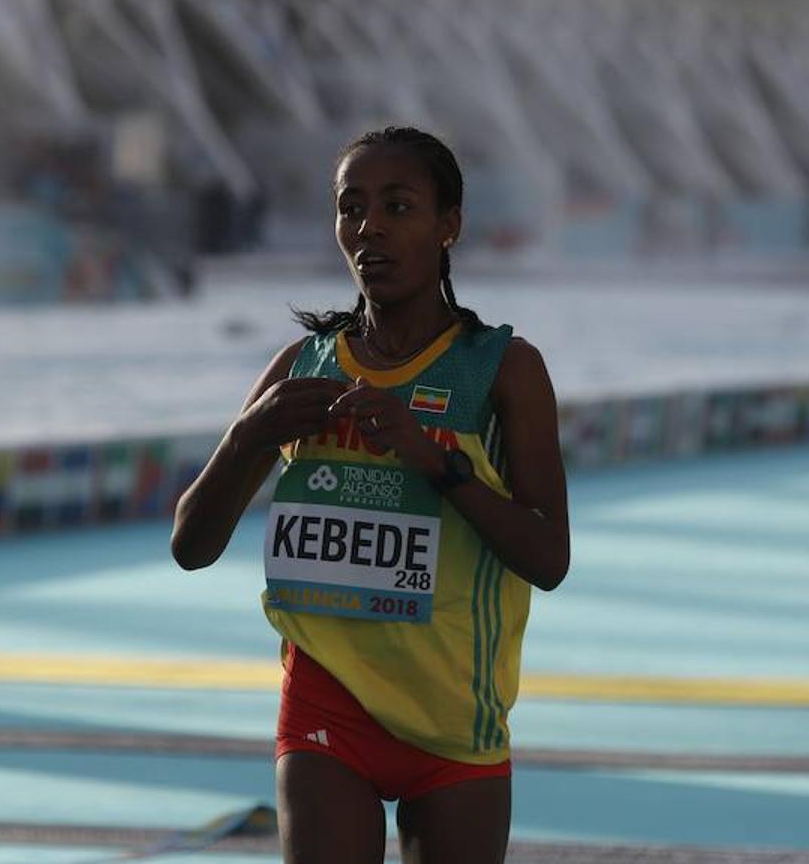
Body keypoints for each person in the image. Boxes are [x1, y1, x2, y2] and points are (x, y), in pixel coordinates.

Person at [171, 126, 570, 864]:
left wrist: (438, 464)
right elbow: (190, 547)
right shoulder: (303, 365)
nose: (369, 228)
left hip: (455, 715)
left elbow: (548, 557)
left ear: (449, 224)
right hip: (327, 706)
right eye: (351, 208)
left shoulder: (504, 371)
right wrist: (246, 437)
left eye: (398, 206)